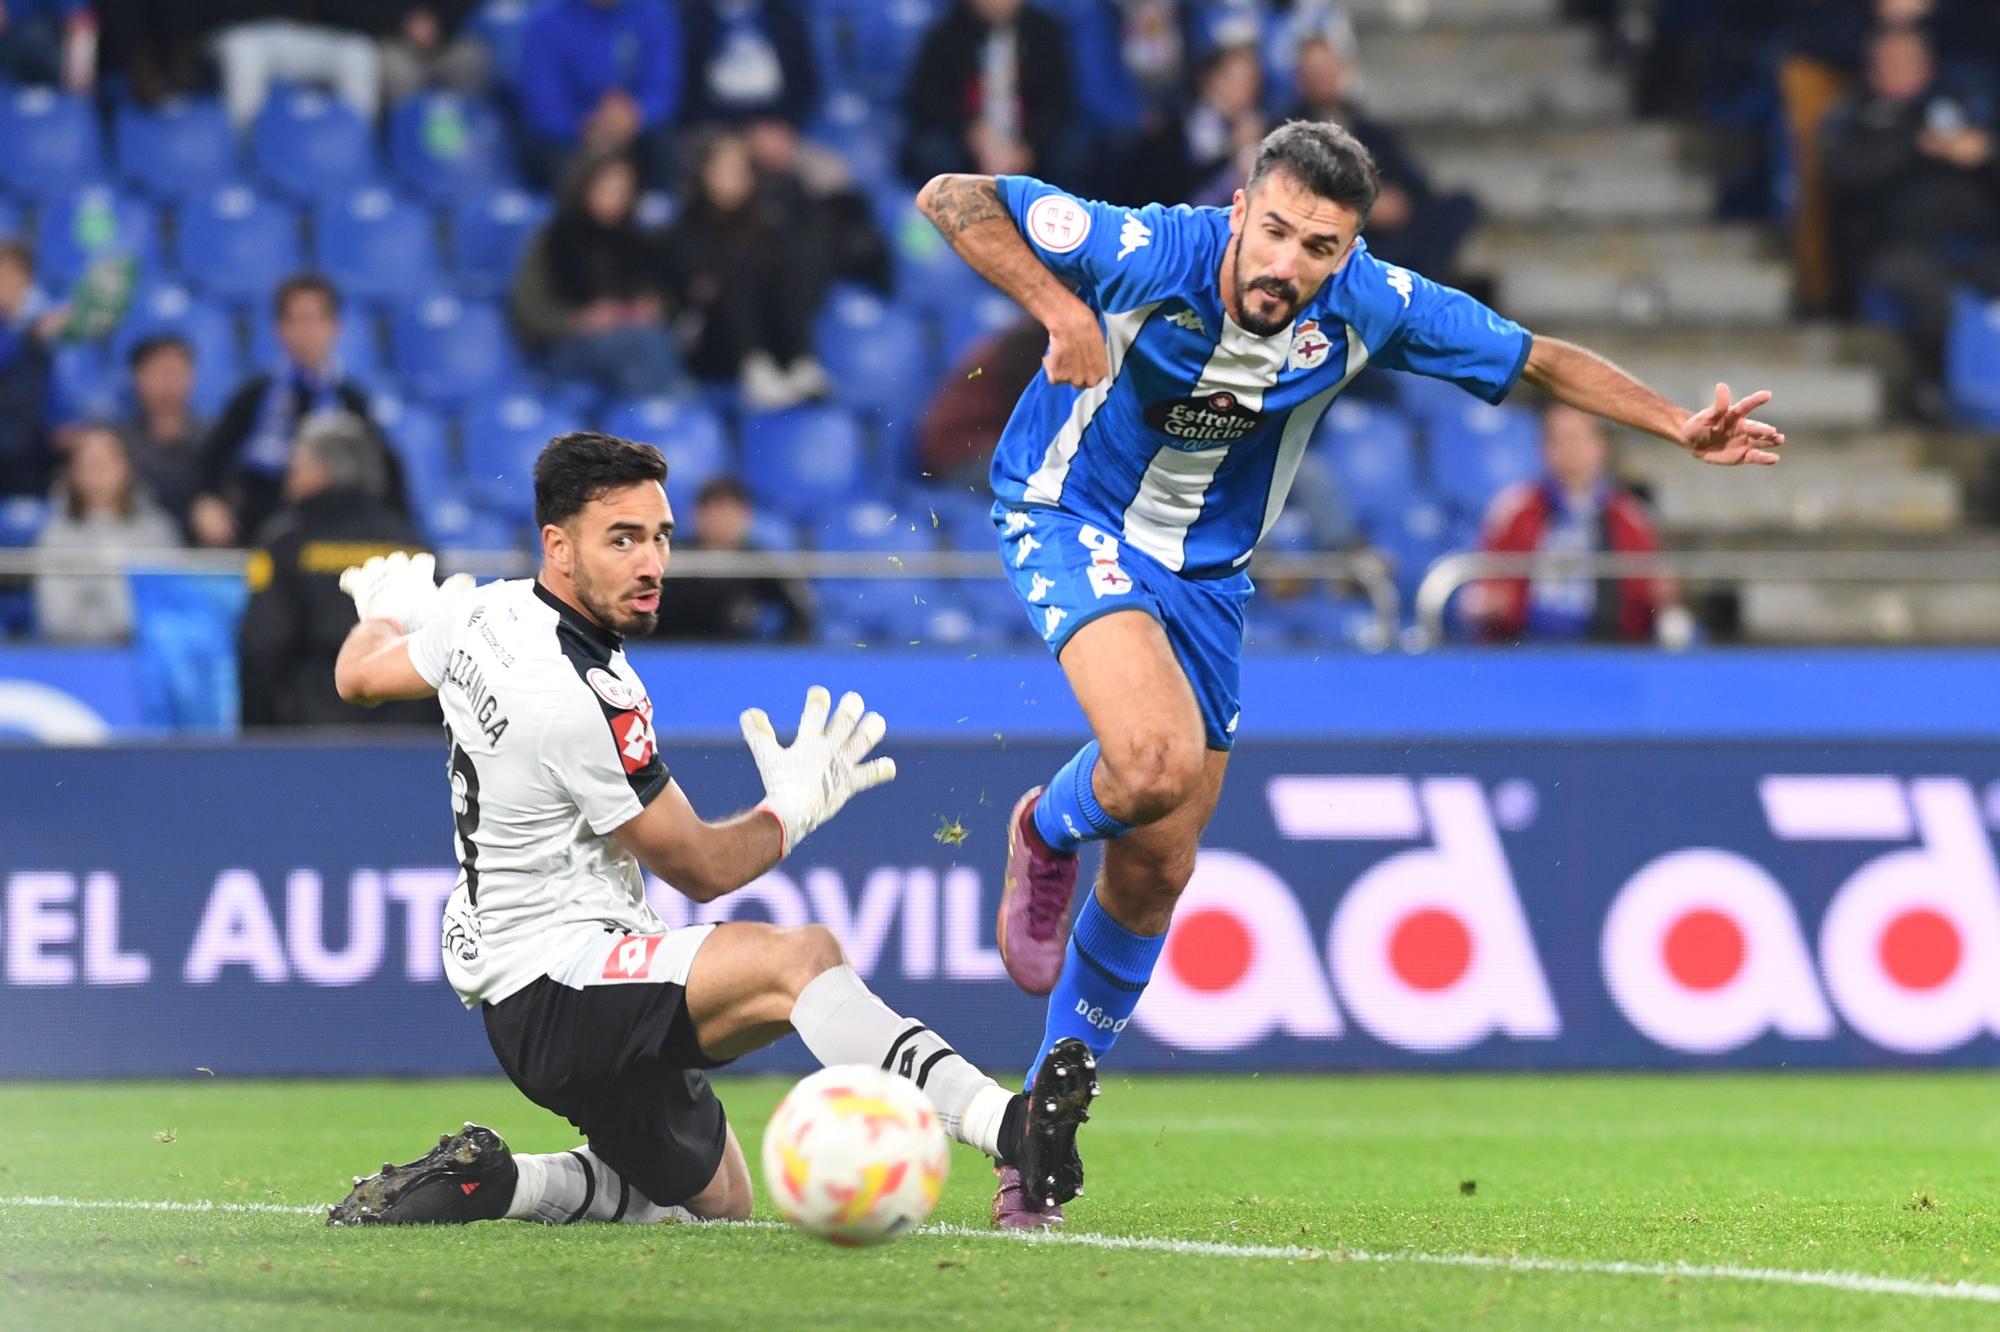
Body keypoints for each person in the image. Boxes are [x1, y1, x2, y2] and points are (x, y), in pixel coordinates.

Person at [914, 120, 1784, 1226]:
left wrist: (1673, 423)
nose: (1287, 263)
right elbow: (954, 193)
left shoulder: (1368, 305)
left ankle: (1044, 1122)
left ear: (1347, 250)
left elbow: (1533, 359)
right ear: (1239, 212)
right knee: (1149, 762)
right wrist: (1060, 310)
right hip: (1069, 514)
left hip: (1210, 580)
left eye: (1318, 246)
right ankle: (1043, 829)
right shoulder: (1143, 247)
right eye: (1272, 231)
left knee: (1156, 868)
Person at [323, 430, 1097, 1227]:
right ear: (557, 546)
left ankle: (497, 1183)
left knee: (718, 1204)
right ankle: (1008, 1129)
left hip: (530, 977)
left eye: (660, 537)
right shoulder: (576, 695)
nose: (651, 563)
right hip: (561, 982)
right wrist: (788, 810)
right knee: (801, 959)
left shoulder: (483, 615)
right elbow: (698, 867)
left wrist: (386, 613)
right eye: (621, 540)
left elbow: (358, 675)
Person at [1821, 23, 2000, 405]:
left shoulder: (1966, 107)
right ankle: (1939, 392)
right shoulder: (1856, 116)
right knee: (1934, 298)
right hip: (1895, 251)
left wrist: (1986, 154)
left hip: (1976, 246)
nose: (1899, 69)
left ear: (1928, 65)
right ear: (1872, 67)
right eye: (1889, 62)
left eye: (1908, 60)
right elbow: (1845, 175)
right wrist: (1914, 146)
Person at [237, 412, 432, 728]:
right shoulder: (413, 545)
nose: (290, 475)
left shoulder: (285, 544)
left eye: (298, 464)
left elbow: (262, 646)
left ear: (321, 470)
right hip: (405, 739)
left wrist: (255, 736)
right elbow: (441, 643)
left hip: (311, 738)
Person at [194, 273, 388, 548]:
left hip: (334, 544)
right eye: (294, 320)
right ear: (278, 328)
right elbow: (210, 466)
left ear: (335, 327)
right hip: (259, 539)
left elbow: (376, 480)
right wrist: (207, 502)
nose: (304, 331)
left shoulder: (352, 402)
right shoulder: (253, 398)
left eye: (313, 319)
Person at [1286, 35, 1480, 288]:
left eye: (1328, 68)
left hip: (1396, 224)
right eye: (1315, 72)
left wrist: (1399, 199)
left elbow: (1409, 174)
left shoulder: (1364, 125)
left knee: (1458, 207)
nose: (1324, 78)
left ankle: (1415, 287)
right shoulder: (1290, 131)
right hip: (1347, 227)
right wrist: (1364, 204)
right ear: (1301, 80)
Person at [1471, 402, 1663, 644]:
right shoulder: (1515, 509)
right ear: (1543, 448)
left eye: (1577, 438)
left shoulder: (1630, 517)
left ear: (1601, 446)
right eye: (1558, 439)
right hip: (1527, 650)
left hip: (1608, 650)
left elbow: (1649, 598)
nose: (1569, 449)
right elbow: (1486, 590)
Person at [667, 132, 828, 409]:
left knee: (789, 264)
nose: (734, 178)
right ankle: (754, 365)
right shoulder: (686, 228)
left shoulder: (767, 227)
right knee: (737, 271)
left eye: (741, 170)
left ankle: (800, 361)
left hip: (770, 335)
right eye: (724, 169)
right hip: (710, 340)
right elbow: (691, 288)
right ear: (703, 173)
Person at [510, 147, 684, 400]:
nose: (616, 199)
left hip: (627, 339)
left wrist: (650, 307)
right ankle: (669, 409)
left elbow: (662, 291)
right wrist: (581, 320)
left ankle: (646, 417)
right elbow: (527, 310)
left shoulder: (636, 239)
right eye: (608, 190)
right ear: (585, 188)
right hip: (566, 346)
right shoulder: (553, 239)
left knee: (643, 348)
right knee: (642, 344)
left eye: (623, 192)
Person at [898, 0, 1080, 190]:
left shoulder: (1045, 32)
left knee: (1071, 151)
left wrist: (1029, 147)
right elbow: (929, 99)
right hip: (967, 141)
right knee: (934, 152)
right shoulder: (945, 33)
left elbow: (1058, 102)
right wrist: (971, 132)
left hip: (1030, 139)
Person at [32, 424, 180, 643]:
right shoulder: (53, 533)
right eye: (88, 462)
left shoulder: (157, 530)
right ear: (72, 472)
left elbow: (163, 613)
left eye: (107, 460)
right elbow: (55, 620)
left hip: (144, 659)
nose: (98, 470)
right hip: (70, 658)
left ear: (127, 467)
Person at [516, 0, 681, 189]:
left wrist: (635, 115)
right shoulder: (545, 21)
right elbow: (544, 106)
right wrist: (589, 123)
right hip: (574, 137)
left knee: (665, 142)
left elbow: (662, 91)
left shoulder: (654, 12)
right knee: (550, 148)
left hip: (635, 130)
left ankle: (662, 209)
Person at [651, 474, 813, 641]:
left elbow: (800, 612)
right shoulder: (672, 558)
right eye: (714, 511)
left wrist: (781, 656)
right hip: (670, 654)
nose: (722, 521)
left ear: (746, 516)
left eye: (729, 512)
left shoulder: (758, 562)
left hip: (735, 656)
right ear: (696, 516)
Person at [210, 2, 384, 127]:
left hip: (310, 32)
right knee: (243, 50)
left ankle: (355, 147)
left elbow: (363, 16)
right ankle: (244, 147)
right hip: (248, 29)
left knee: (358, 52)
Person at [119, 334, 207, 539]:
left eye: (176, 371)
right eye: (159, 371)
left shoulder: (214, 438)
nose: (168, 382)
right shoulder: (119, 443)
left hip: (200, 551)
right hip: (135, 546)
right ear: (137, 376)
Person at [0, 240, 62, 499]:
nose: (8, 284)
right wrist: (29, 333)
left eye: (17, 275)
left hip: (29, 458)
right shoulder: (28, 334)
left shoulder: (38, 340)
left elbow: (49, 395)